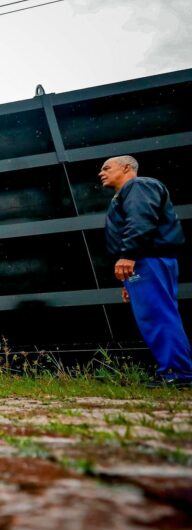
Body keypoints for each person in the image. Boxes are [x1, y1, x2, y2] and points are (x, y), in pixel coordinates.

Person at [99, 155, 192, 387]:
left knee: (158, 315)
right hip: (144, 261)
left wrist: (128, 254)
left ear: (127, 168)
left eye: (107, 168)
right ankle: (174, 371)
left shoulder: (138, 186)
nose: (102, 173)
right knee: (156, 314)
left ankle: (179, 373)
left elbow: (141, 220)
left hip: (146, 259)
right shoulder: (127, 193)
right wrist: (127, 282)